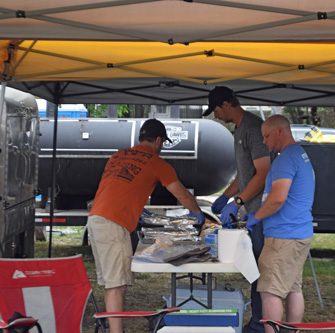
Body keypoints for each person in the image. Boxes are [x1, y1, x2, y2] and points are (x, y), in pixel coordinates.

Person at [87, 118, 205, 333]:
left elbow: (117, 186)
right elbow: (183, 195)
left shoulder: (118, 155)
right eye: (162, 143)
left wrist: (137, 208)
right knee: (116, 285)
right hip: (113, 223)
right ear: (158, 140)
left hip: (95, 218)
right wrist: (198, 214)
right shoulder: (157, 162)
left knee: (112, 283)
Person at [203, 86, 272, 333]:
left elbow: (263, 174)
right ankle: (256, 322)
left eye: (216, 111)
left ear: (227, 104)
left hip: (263, 215)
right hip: (252, 213)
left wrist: (238, 203)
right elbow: (245, 175)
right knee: (254, 271)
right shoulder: (239, 130)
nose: (215, 117)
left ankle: (259, 326)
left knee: (260, 274)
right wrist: (225, 196)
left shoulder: (253, 128)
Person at [243, 115, 315, 333]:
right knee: (293, 288)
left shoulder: (285, 159)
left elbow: (278, 198)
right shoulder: (299, 154)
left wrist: (256, 216)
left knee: (269, 292)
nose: (264, 141)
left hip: (283, 236)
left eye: (266, 136)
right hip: (298, 232)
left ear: (280, 132)